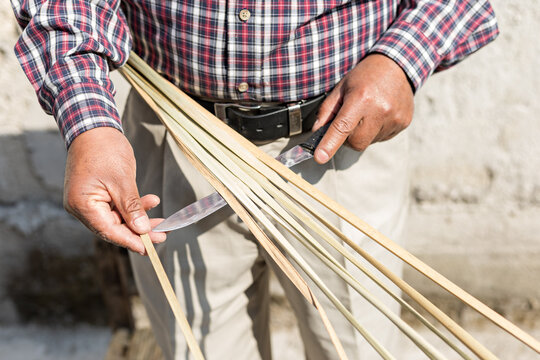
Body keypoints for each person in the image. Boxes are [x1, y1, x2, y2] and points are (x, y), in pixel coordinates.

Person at [11, 1, 498, 359]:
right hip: (176, 135)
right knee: (196, 347)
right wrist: (89, 124)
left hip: (342, 138)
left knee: (357, 349)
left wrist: (403, 58)